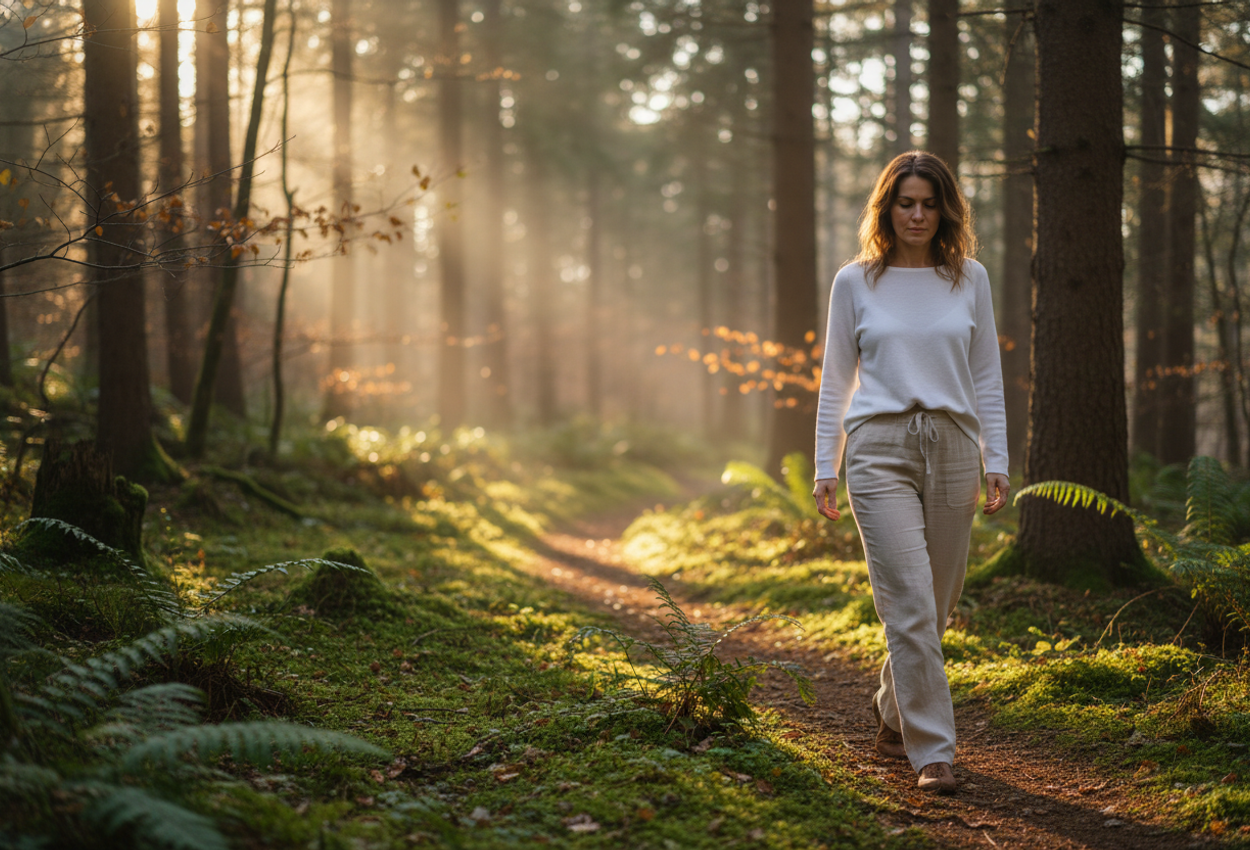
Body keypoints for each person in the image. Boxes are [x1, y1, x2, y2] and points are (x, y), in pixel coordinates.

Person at [811, 151, 1009, 795]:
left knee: (938, 603)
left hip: (953, 444)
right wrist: (826, 464)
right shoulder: (855, 282)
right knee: (909, 601)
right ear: (886, 209)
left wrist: (995, 458)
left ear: (945, 210)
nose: (917, 214)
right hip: (878, 448)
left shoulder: (969, 278)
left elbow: (986, 376)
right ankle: (933, 752)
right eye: (905, 202)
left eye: (928, 203)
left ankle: (893, 710)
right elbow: (836, 378)